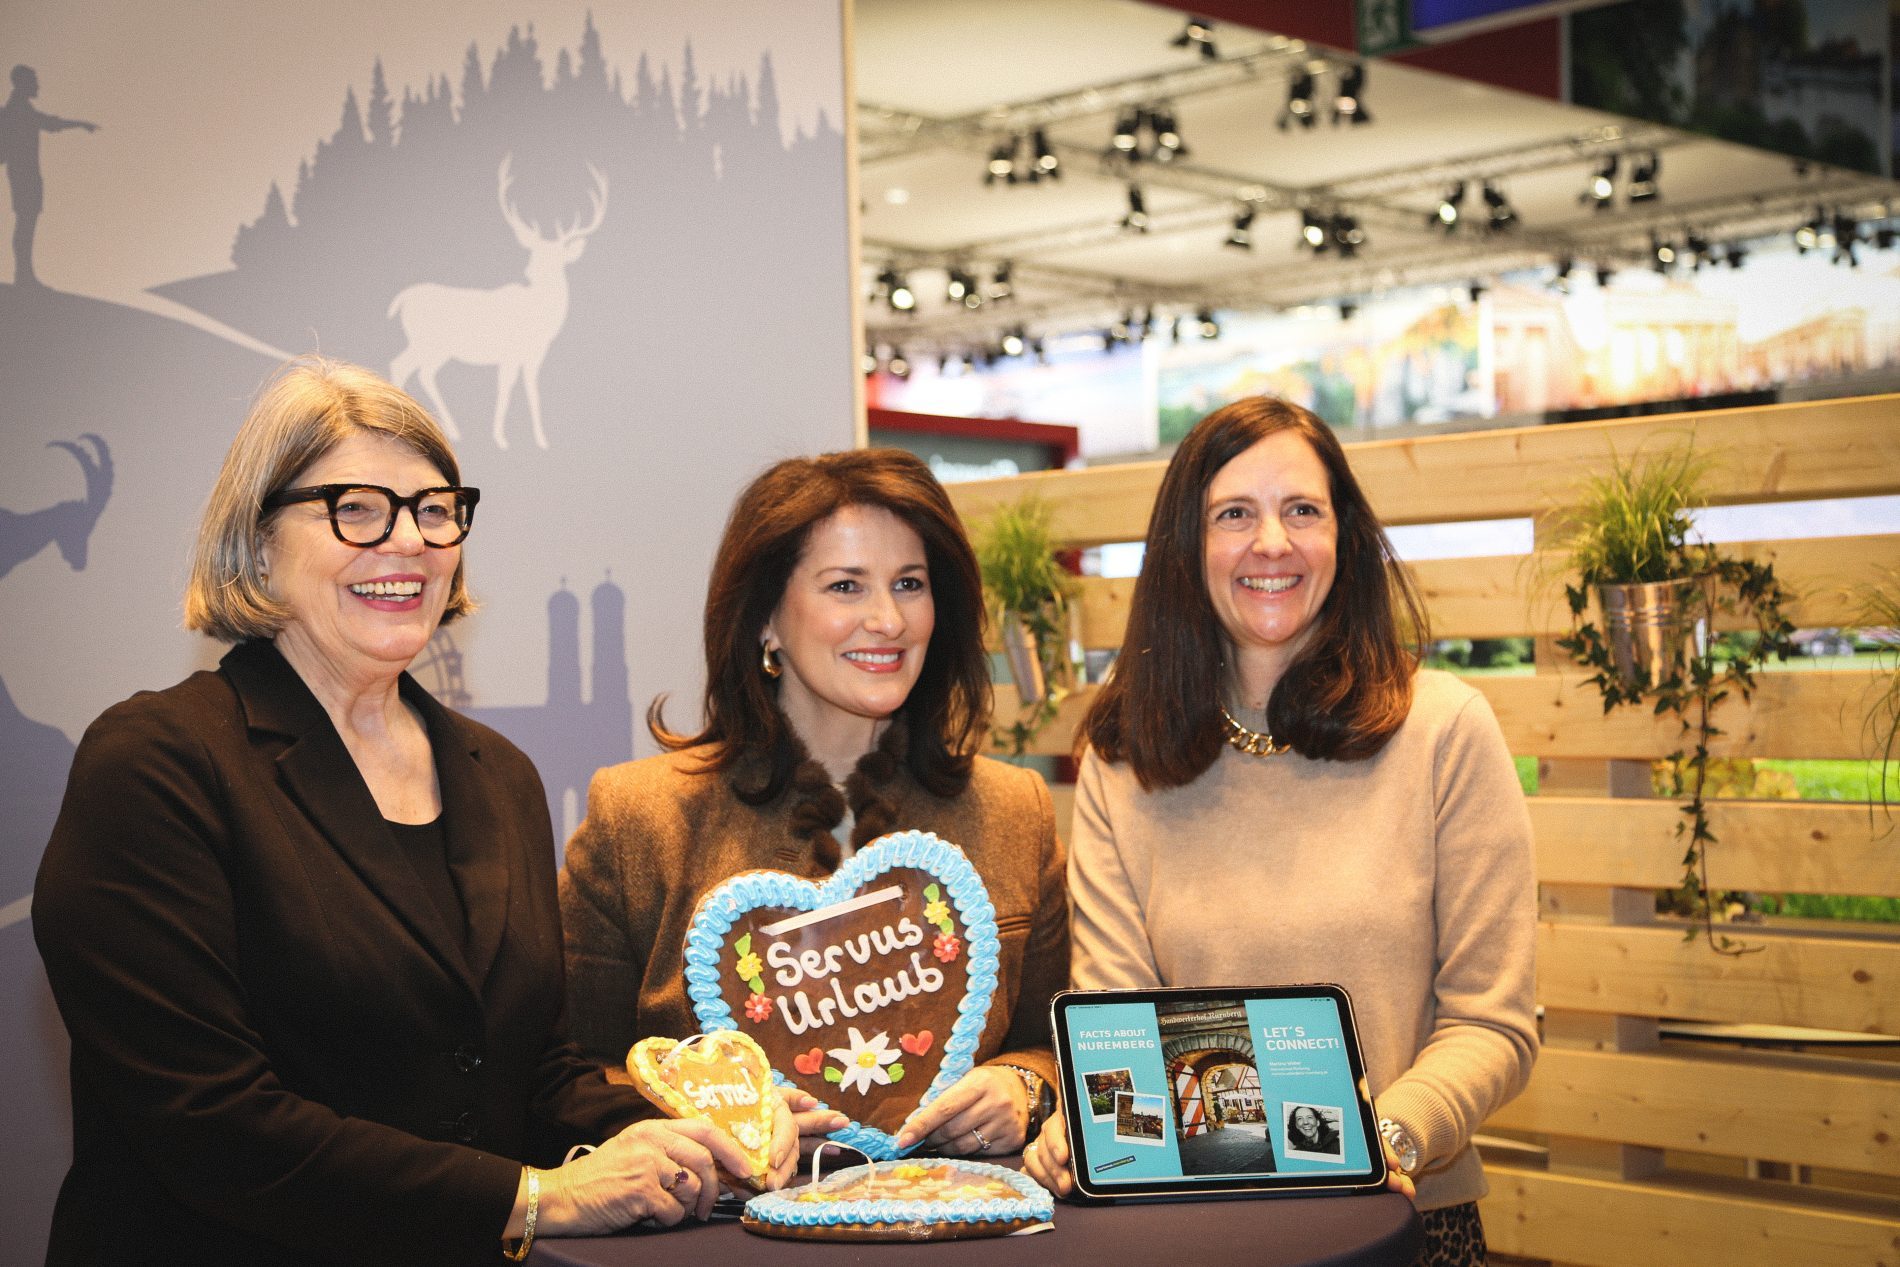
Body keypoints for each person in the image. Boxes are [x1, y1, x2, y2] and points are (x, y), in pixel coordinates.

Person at [33, 357, 795, 1267]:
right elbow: (211, 1120)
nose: (408, 543)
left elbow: (532, 1071)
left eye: (435, 511)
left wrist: (706, 1131)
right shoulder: (157, 764)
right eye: (356, 508)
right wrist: (536, 1197)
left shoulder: (497, 774)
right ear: (260, 538)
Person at [1023, 397, 1536, 1266]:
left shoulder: (1446, 731)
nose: (1272, 542)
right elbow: (1117, 1021)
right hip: (1183, 1238)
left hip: (1402, 1223)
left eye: (1302, 509)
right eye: (1234, 514)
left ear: (1344, 536)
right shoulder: (1121, 757)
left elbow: (1495, 1024)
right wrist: (1087, 1127)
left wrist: (1389, 1140)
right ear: (1187, 548)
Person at [561, 448, 1069, 1159]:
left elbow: (1054, 1042)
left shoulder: (1016, 809)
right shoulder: (639, 817)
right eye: (846, 586)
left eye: (910, 583)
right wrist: (715, 1123)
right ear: (766, 616)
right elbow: (569, 1074)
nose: (888, 618)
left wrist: (1024, 1084)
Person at [0, 65, 98, 288]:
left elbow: (49, 123)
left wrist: (79, 124)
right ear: (23, 82)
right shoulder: (18, 110)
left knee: (27, 223)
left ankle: (24, 274)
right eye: (33, 80)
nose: (37, 85)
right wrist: (80, 124)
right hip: (23, 175)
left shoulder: (22, 109)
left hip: (27, 175)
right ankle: (23, 275)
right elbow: (51, 123)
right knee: (25, 224)